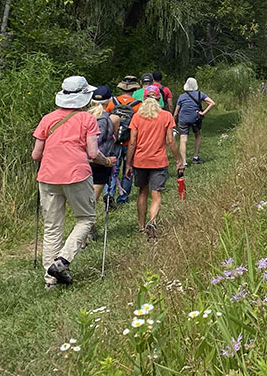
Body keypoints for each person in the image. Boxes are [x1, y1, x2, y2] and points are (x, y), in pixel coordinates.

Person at [31, 76, 115, 288]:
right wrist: (106, 162)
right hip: (76, 174)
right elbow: (94, 153)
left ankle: (50, 281)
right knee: (86, 218)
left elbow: (35, 155)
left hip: (48, 176)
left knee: (52, 227)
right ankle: (63, 261)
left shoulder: (47, 119)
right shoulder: (87, 119)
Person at [125, 97, 182, 238]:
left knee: (142, 192)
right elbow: (170, 140)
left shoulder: (137, 117)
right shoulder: (166, 116)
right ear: (158, 102)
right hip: (158, 161)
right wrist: (178, 159)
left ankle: (141, 226)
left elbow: (132, 142)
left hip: (140, 161)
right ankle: (153, 221)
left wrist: (128, 163)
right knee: (156, 194)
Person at [104, 75, 140, 203]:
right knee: (128, 168)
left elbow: (106, 120)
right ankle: (123, 197)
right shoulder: (138, 105)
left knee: (113, 168)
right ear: (134, 89)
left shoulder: (112, 102)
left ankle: (109, 193)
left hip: (114, 141)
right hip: (130, 140)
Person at [175, 77, 216, 165]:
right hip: (195, 118)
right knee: (198, 135)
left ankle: (184, 162)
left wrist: (174, 119)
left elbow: (176, 111)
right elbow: (212, 103)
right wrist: (203, 112)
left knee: (183, 139)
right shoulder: (200, 94)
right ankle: (195, 157)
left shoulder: (181, 96)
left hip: (183, 119)